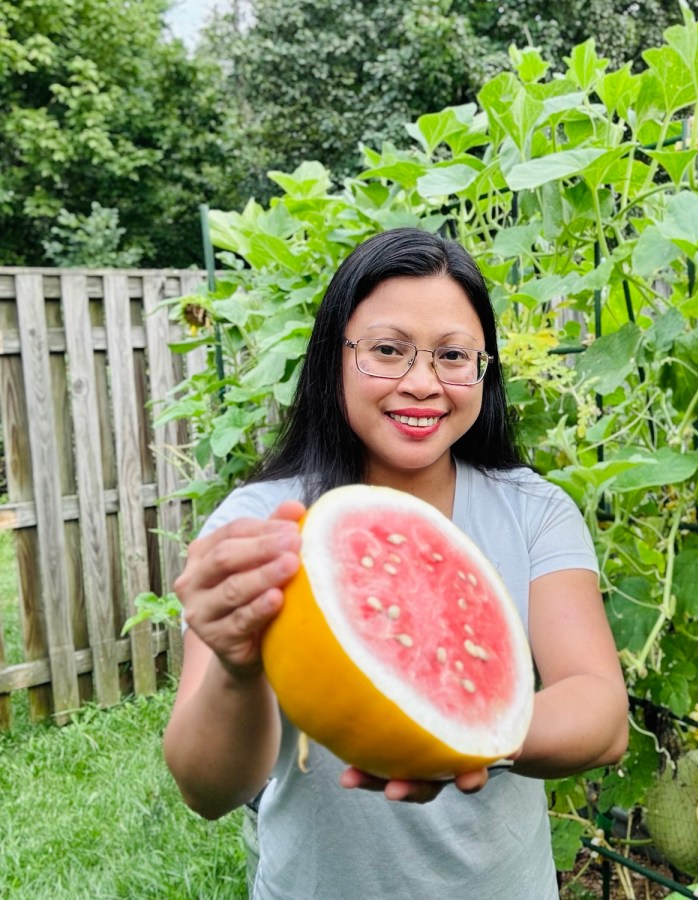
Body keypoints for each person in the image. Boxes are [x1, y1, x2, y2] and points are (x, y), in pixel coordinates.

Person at [163, 227, 629, 899]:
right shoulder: (261, 525)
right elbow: (205, 789)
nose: (422, 384)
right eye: (387, 351)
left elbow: (602, 712)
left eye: (452, 356)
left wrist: (465, 729)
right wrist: (237, 670)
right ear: (335, 359)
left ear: (484, 371)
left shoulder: (535, 510)